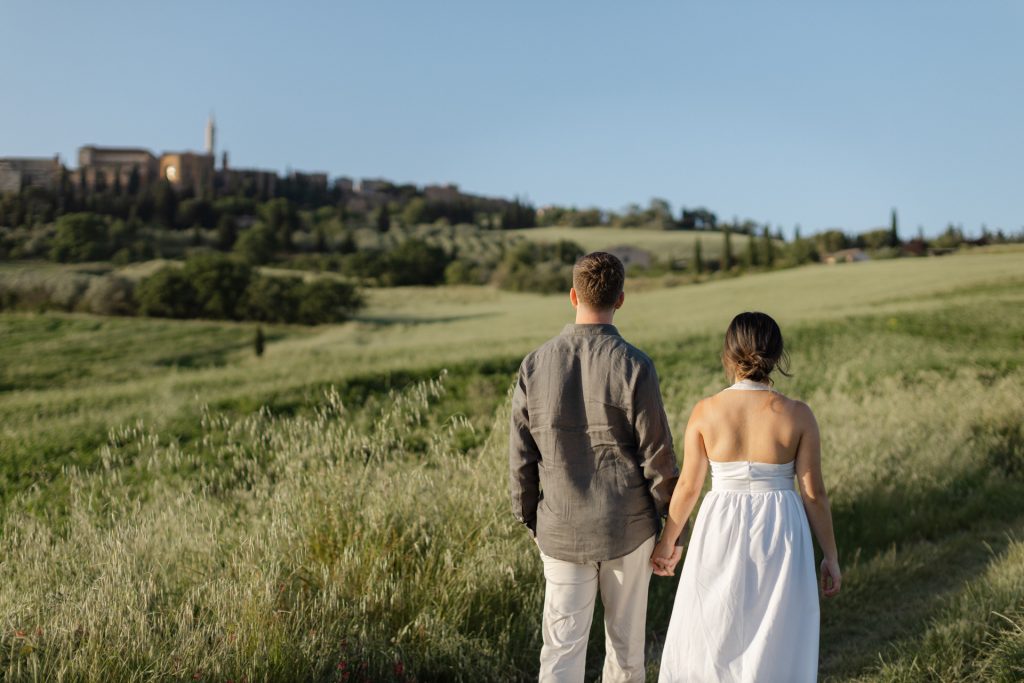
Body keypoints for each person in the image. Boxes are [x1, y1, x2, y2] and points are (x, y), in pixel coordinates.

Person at [509, 251, 681, 683]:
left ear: (573, 296)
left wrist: (531, 520)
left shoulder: (535, 364)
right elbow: (658, 457)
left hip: (560, 529)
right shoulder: (635, 365)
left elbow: (521, 459)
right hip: (629, 528)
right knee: (625, 652)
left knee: (561, 651)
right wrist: (673, 527)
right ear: (620, 299)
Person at [652, 311, 841, 683]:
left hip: (720, 523)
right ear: (777, 355)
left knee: (714, 627)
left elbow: (689, 487)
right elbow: (813, 493)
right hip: (781, 526)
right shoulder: (799, 415)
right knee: (778, 629)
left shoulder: (706, 411)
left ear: (728, 355)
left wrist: (666, 543)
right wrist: (830, 555)